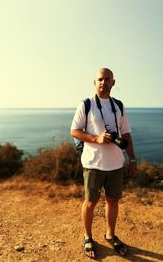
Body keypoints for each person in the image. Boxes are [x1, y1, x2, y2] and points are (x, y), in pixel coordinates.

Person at [70, 68, 137, 258]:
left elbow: (126, 134)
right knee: (90, 202)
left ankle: (110, 234)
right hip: (93, 164)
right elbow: (74, 131)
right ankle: (88, 236)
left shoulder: (119, 105)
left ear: (113, 83)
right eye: (100, 79)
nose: (103, 82)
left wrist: (132, 158)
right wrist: (95, 138)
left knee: (113, 201)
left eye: (107, 79)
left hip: (116, 164)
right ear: (94, 82)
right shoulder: (87, 104)